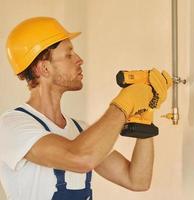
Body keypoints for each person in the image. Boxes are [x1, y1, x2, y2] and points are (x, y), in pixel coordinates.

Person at [0, 17, 171, 200]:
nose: (80, 60)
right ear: (44, 68)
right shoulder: (11, 126)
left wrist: (143, 117)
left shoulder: (80, 131)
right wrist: (124, 104)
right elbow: (80, 158)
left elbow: (137, 180)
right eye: (69, 54)